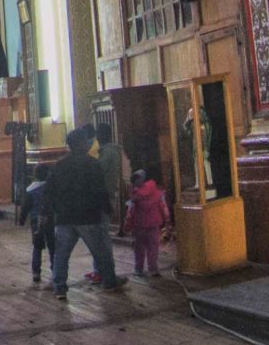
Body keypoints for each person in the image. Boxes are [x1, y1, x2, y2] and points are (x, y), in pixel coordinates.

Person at [44, 126, 123, 298]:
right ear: (81, 143)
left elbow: (49, 190)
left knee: (61, 256)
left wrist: (47, 212)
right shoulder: (92, 164)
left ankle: (59, 288)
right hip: (88, 215)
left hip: (65, 216)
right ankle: (108, 282)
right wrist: (107, 209)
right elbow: (99, 190)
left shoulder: (59, 165)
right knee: (100, 252)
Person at [124, 173, 170, 278]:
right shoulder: (157, 193)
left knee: (139, 249)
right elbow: (164, 208)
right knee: (153, 248)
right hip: (154, 226)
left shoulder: (135, 196)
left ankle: (138, 269)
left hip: (139, 227)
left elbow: (130, 213)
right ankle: (153, 269)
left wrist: (127, 226)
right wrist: (167, 220)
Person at [18, 167, 53, 287]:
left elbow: (25, 207)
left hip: (35, 221)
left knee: (37, 246)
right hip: (50, 219)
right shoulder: (50, 188)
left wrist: (22, 220)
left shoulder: (30, 190)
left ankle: (36, 272)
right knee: (52, 245)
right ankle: (55, 270)